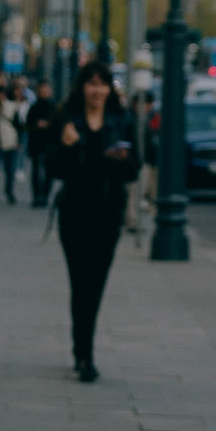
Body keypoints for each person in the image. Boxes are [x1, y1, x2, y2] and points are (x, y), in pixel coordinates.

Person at [52, 59, 136, 381]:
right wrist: (67, 146)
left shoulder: (122, 120)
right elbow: (53, 168)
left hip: (108, 213)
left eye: (102, 84)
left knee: (95, 284)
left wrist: (122, 160)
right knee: (80, 282)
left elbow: (134, 169)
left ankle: (83, 349)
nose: (97, 90)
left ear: (109, 89)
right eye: (92, 84)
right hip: (74, 212)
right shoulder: (67, 119)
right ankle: (84, 353)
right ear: (83, 87)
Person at [0, 83, 22, 203]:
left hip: (9, 140)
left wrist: (19, 141)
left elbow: (18, 124)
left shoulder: (12, 106)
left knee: (10, 170)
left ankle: (9, 192)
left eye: (1, 94)